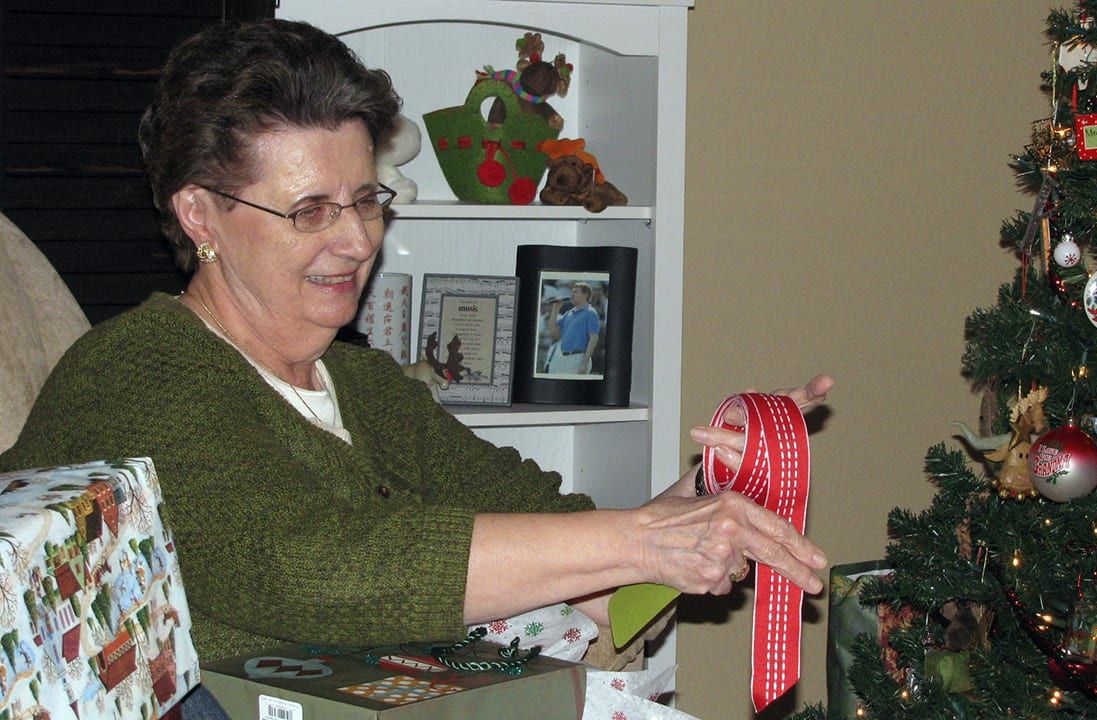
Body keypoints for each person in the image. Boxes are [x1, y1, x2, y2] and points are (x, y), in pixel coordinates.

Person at [0, 18, 832, 718]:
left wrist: (710, 493)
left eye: (366, 198)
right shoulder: (133, 375)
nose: (356, 239)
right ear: (199, 214)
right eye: (310, 210)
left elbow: (552, 529)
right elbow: (311, 568)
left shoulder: (359, 384)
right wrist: (641, 542)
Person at [547, 281, 600, 374]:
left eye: (576, 292)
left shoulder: (590, 313)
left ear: (585, 295)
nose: (572, 294)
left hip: (579, 357)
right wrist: (555, 309)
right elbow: (552, 333)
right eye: (572, 292)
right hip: (563, 358)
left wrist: (584, 363)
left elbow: (594, 338)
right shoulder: (568, 313)